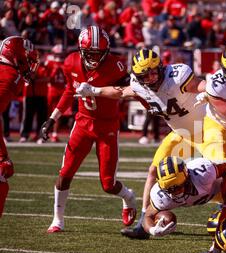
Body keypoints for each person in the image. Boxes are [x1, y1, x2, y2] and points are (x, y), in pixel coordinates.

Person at [75, 48, 207, 234]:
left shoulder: (177, 76)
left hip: (207, 131)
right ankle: (143, 224)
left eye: (154, 72)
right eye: (145, 75)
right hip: (180, 133)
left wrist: (209, 92)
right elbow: (121, 92)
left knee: (217, 175)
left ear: (161, 68)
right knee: (153, 171)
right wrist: (94, 90)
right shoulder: (139, 85)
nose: (151, 78)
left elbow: (200, 85)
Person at [40, 26, 137, 233]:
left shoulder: (115, 65)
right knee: (65, 173)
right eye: (90, 53)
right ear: (81, 50)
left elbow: (128, 92)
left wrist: (97, 91)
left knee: (108, 184)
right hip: (83, 123)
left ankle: (128, 196)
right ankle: (57, 219)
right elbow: (69, 90)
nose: (94, 57)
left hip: (107, 126)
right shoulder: (70, 61)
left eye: (98, 53)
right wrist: (52, 118)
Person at [122, 156, 226, 239]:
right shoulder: (160, 195)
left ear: (187, 176)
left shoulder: (204, 173)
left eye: (178, 187)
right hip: (207, 194)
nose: (174, 192)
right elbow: (148, 215)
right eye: (169, 189)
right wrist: (153, 230)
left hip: (221, 189)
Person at [0, 36, 37, 215]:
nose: (29, 66)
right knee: (2, 175)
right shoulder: (9, 75)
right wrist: (2, 155)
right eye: (26, 60)